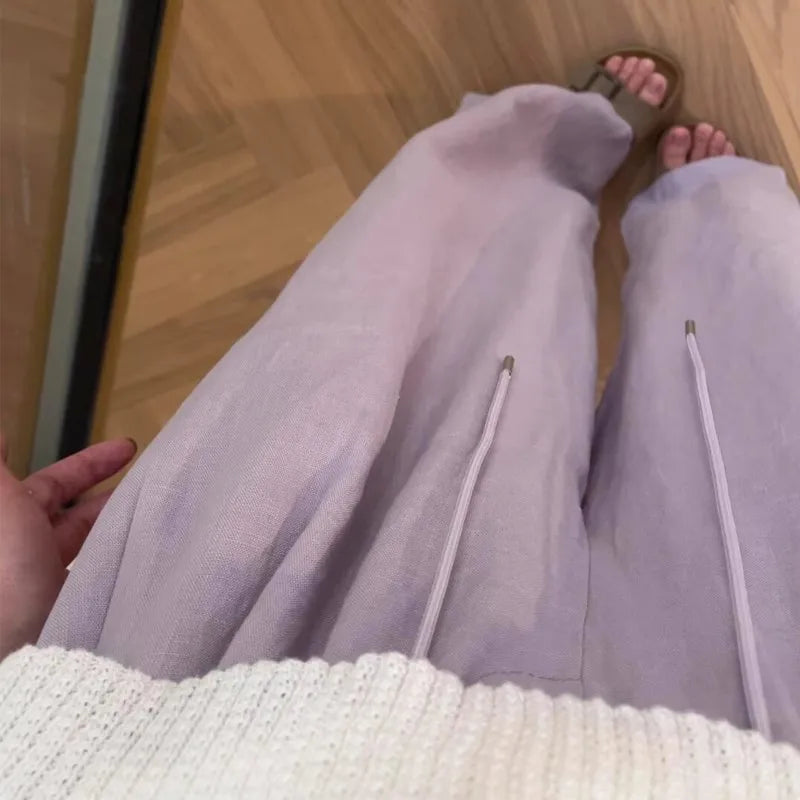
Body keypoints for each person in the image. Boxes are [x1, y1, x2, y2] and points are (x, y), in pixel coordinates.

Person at [1, 49, 799, 795]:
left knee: (385, 364)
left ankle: (541, 168)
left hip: (182, 723)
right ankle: (709, 238)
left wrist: (14, 628)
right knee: (741, 469)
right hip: (732, 762)